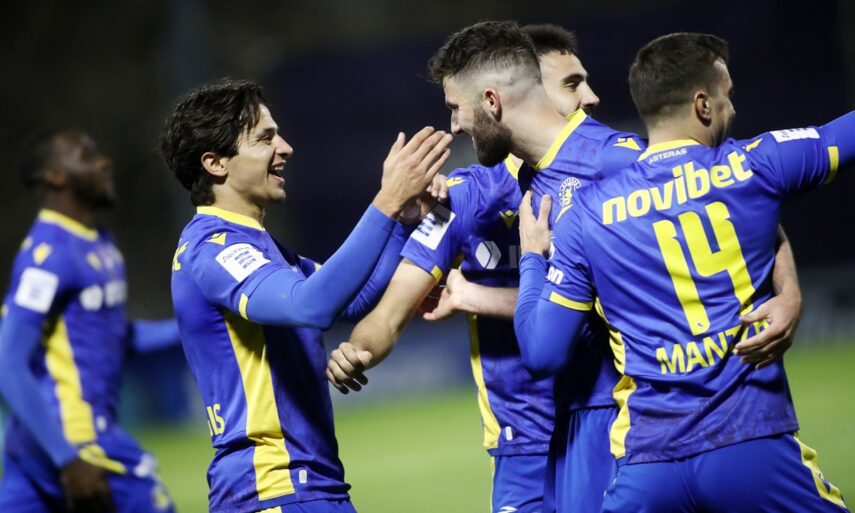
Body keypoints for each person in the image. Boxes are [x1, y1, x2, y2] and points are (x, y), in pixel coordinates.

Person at [326, 21, 803, 513]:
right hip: (521, 441)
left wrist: (787, 292)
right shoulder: (463, 196)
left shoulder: (615, 162)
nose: (589, 98)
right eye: (572, 84)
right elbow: (384, 314)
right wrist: (357, 350)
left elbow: (735, 201)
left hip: (613, 414)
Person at [514, 32, 852, 512]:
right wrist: (790, 289)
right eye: (726, 94)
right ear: (703, 105)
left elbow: (541, 351)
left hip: (649, 467)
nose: (732, 107)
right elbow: (841, 137)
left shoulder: (587, 214)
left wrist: (532, 257)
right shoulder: (753, 167)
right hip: (751, 446)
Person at [160, 78, 451, 513]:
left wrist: (404, 221)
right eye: (265, 138)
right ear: (216, 163)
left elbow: (352, 298)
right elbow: (311, 305)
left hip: (308, 486)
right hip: (273, 487)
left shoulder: (259, 246)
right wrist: (386, 201)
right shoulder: (213, 248)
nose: (286, 148)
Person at [0, 129, 178, 513]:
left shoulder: (98, 243)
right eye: (87, 155)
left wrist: (191, 327)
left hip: (37, 444)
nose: (104, 162)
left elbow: (113, 339)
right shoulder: (50, 253)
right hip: (75, 440)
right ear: (55, 176)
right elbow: (8, 361)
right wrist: (66, 457)